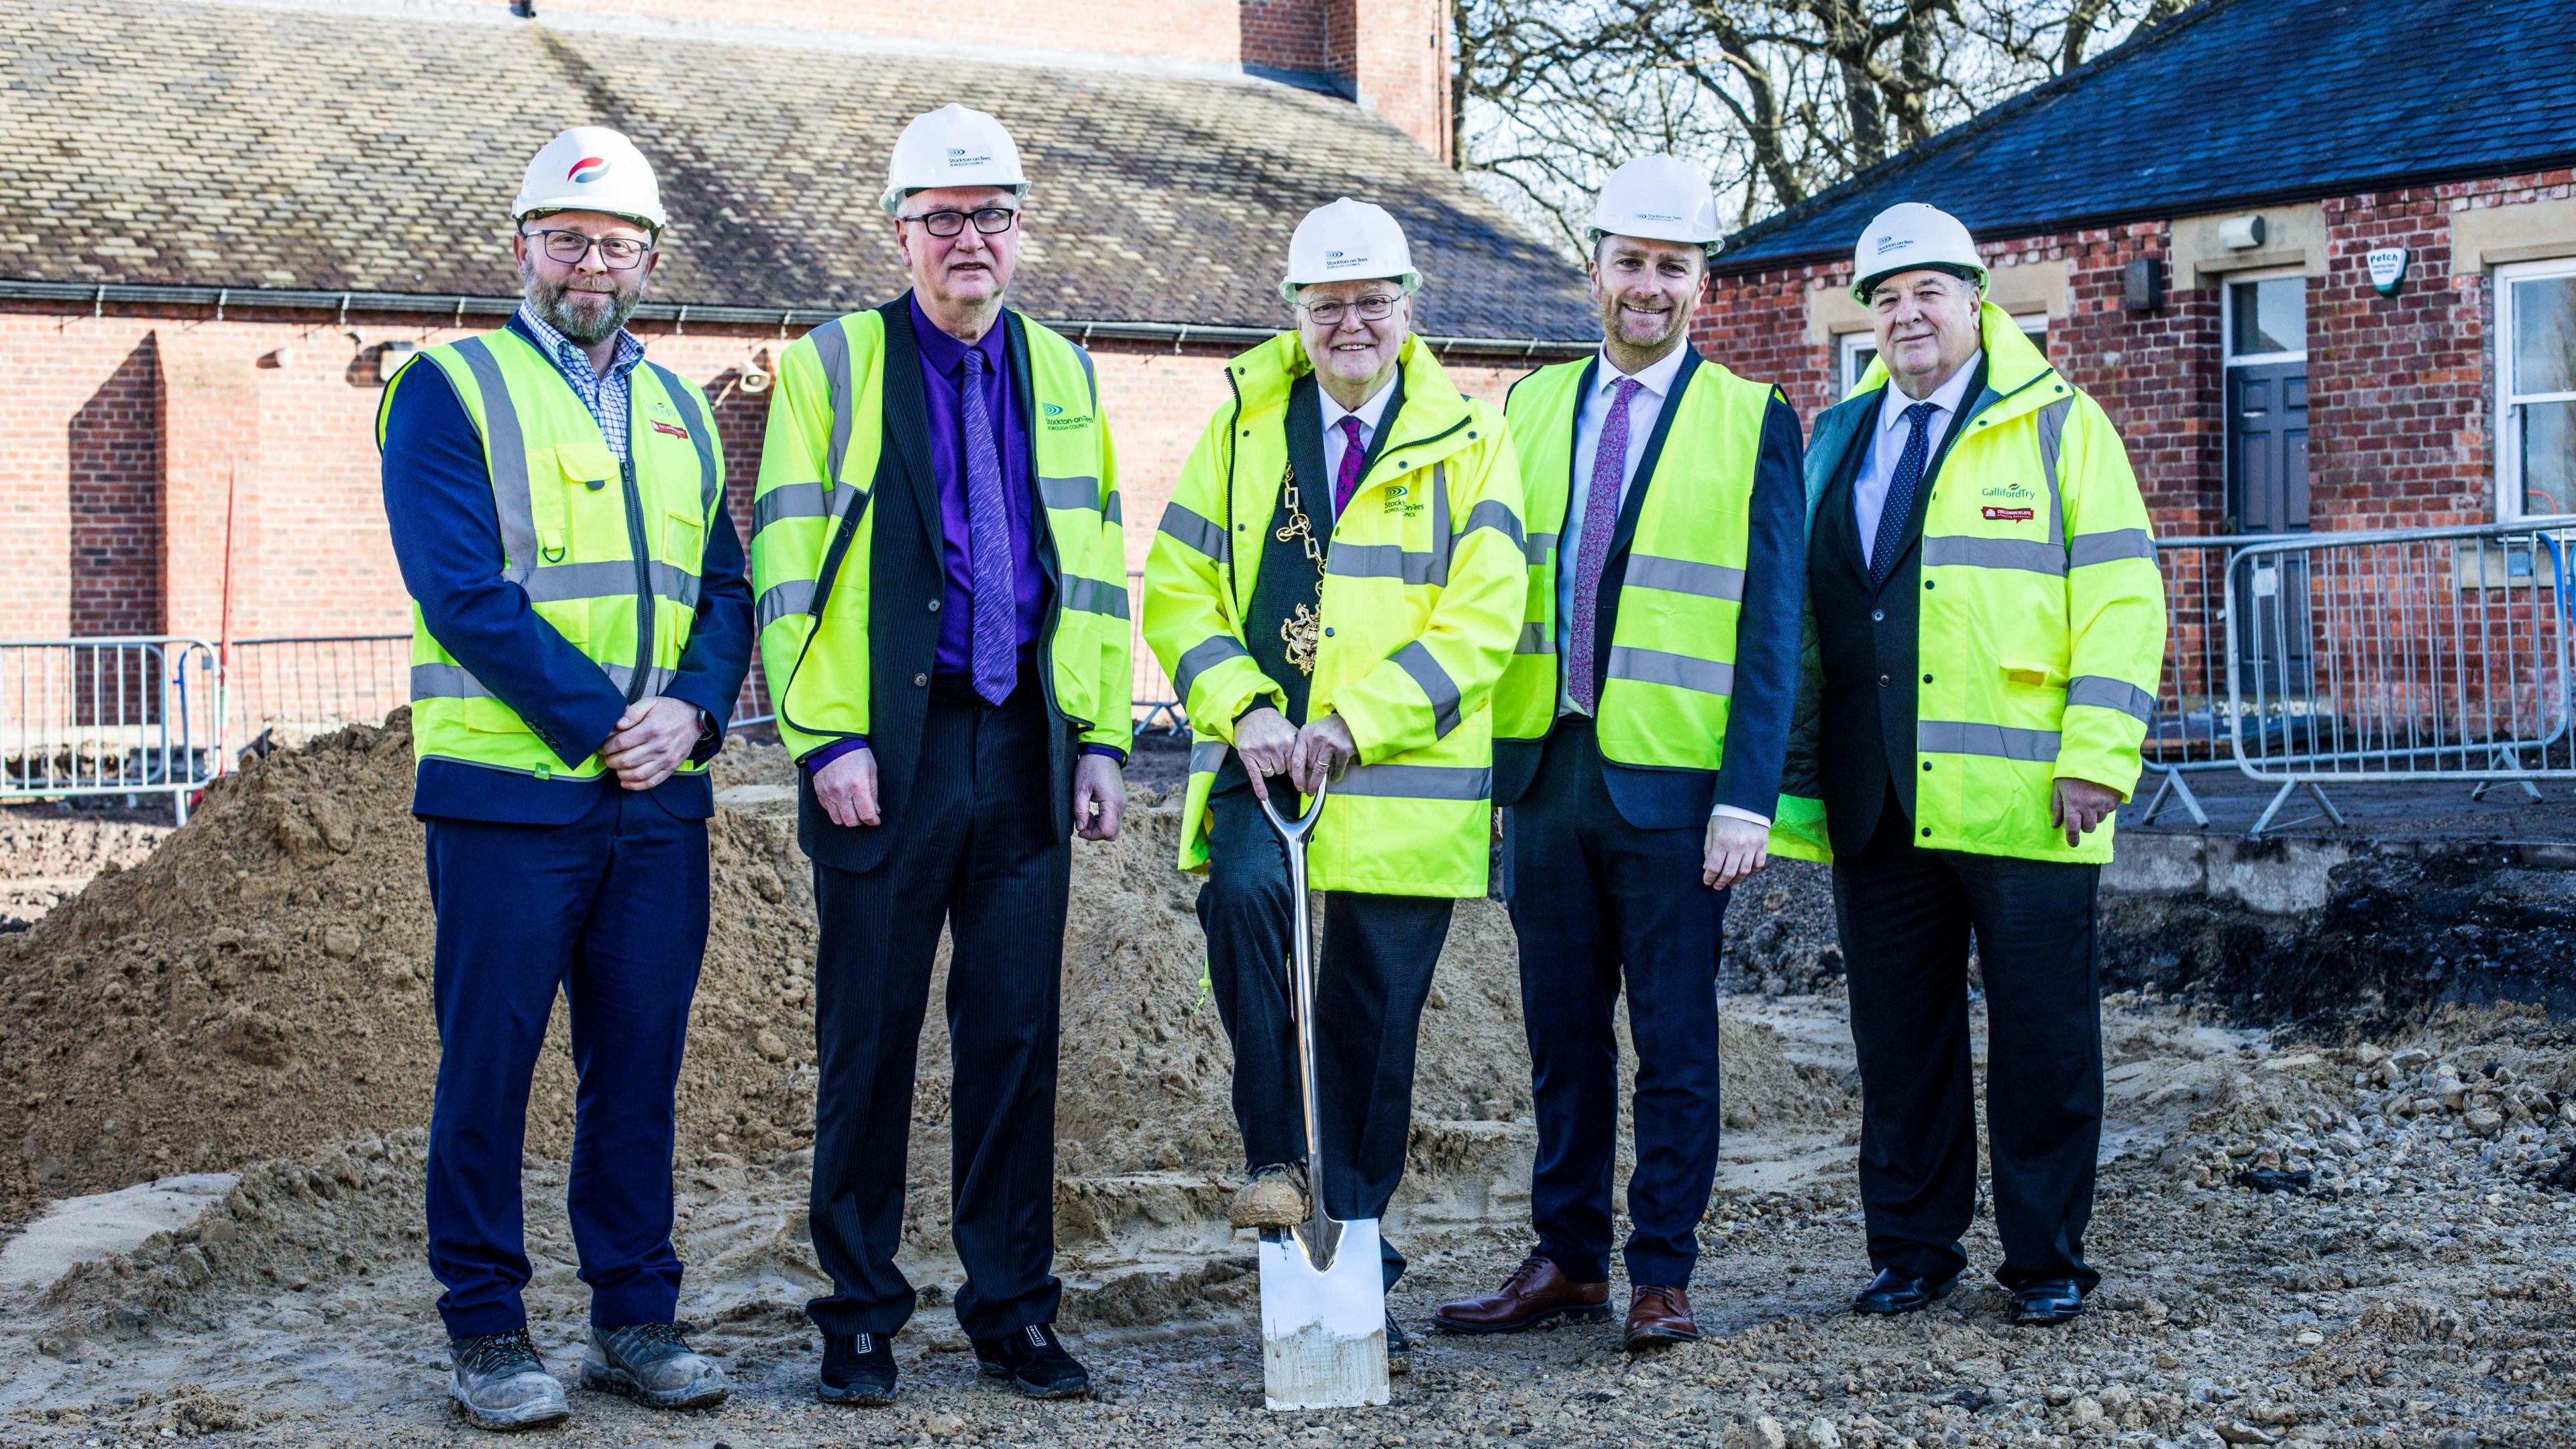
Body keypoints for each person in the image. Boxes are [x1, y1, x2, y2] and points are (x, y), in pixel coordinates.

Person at [750, 103, 1131, 1406]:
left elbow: (1094, 570)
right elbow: (788, 568)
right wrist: (827, 737)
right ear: (903, 232)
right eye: (944, 219)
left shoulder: (1067, 373)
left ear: (1021, 232)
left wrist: (1100, 740)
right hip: (886, 757)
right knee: (870, 1038)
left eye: (991, 218)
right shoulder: (833, 367)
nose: (970, 241)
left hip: (1027, 747)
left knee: (1014, 1040)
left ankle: (1011, 1310)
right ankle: (857, 1316)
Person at [378, 125, 752, 1430]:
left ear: (648, 257)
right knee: (487, 1068)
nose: (593, 262)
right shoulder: (447, 387)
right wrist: (612, 724)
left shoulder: (681, 404)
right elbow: (461, 592)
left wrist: (696, 714)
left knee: (637, 1070)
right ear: (522, 245)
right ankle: (485, 1331)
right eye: (569, 237)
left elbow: (723, 586)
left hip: (659, 805)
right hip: (508, 797)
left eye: (617, 243)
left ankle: (634, 1320)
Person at [1140, 197, 1526, 1376]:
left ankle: (1359, 1254)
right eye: (1328, 305)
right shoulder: (1248, 426)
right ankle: (1274, 1164)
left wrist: (1360, 721)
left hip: (1399, 782)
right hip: (1266, 764)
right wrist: (1246, 707)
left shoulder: (1470, 436)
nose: (1350, 322)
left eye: (1371, 301)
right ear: (1296, 316)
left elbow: (1485, 614)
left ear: (1409, 309)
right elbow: (1177, 585)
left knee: (1372, 1028)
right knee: (1243, 900)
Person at [1432, 156, 1806, 1351]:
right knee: (1561, 1037)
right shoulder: (1530, 410)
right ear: (1595, 268)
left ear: (1703, 284)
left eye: (1673, 269)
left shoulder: (1753, 419)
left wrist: (1750, 794)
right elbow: (1488, 601)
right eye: (1632, 264)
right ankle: (1569, 1257)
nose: (1649, 287)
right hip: (1546, 771)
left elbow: (1772, 629)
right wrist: (1483, 775)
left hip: (1677, 786)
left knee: (1676, 1042)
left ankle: (1663, 1272)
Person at [1770, 203, 2165, 1326]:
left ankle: (2045, 1262)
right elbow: (1807, 612)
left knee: (2042, 1039)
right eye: (1885, 298)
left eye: (1927, 292)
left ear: (1976, 302)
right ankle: (1911, 1252)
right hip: (1877, 794)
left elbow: (2125, 599)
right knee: (1901, 1043)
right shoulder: (1838, 434)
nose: (1906, 315)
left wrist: (2098, 753)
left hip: (2027, 790)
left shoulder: (2059, 422)